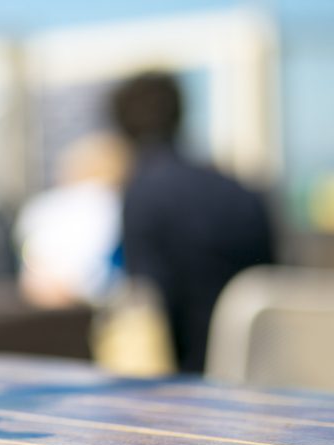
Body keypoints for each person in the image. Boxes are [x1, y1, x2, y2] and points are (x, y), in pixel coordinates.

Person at [110, 72, 274, 373]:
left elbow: (149, 309)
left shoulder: (141, 194)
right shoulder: (241, 192)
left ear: (120, 128)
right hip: (261, 373)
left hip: (189, 387)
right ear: (180, 115)